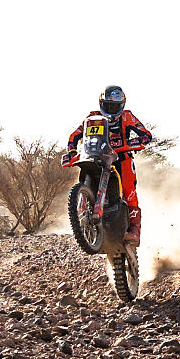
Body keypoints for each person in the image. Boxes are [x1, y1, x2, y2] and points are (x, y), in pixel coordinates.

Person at [64, 85, 151, 245]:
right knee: (84, 173)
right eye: (108, 105)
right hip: (96, 156)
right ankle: (81, 216)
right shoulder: (93, 118)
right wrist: (71, 150)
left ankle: (134, 230)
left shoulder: (127, 117)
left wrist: (139, 140)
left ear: (122, 105)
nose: (111, 109)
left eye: (115, 106)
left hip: (121, 157)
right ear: (101, 103)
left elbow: (145, 133)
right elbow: (75, 135)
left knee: (128, 188)